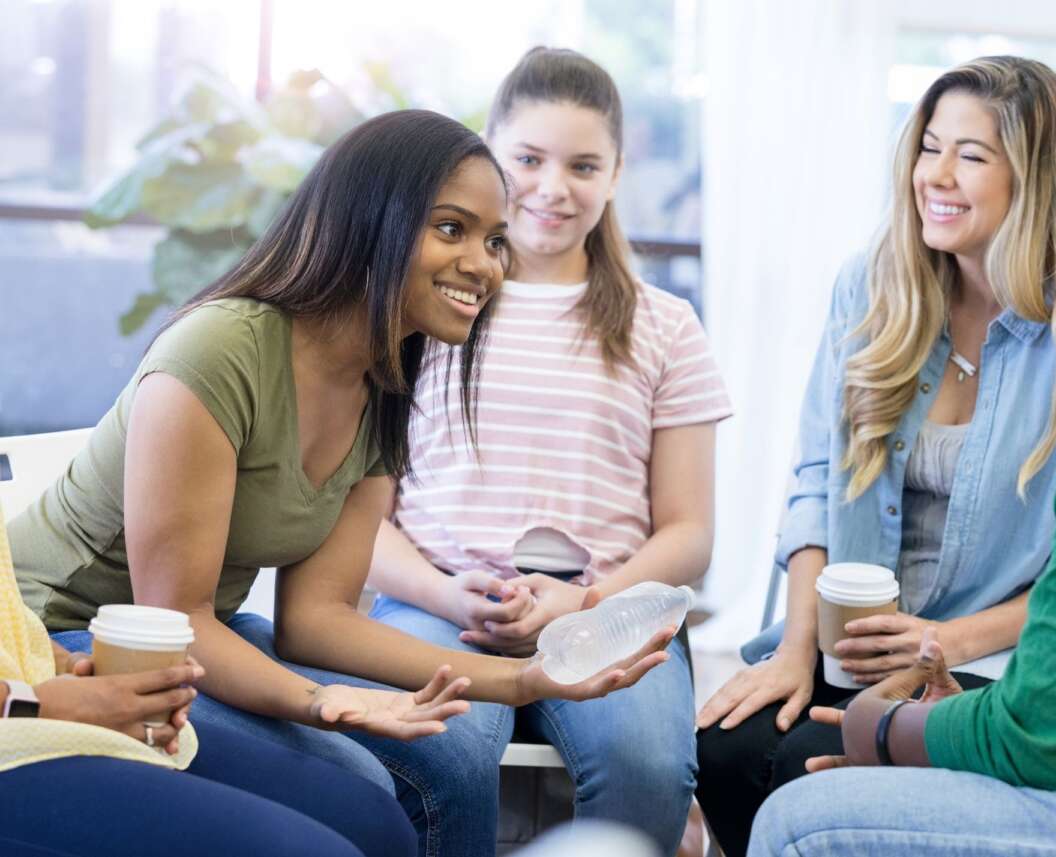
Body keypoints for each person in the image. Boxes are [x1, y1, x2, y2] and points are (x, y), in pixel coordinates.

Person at [10, 109, 671, 853]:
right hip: (62, 643)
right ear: (370, 222)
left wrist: (524, 681)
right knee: (363, 801)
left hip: (196, 635)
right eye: (451, 229)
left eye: (493, 240)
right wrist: (326, 700)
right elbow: (180, 617)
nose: (485, 264)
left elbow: (316, 617)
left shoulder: (383, 379)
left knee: (450, 757)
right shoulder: (220, 350)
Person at [749, 60, 1056, 857]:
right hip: (870, 643)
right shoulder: (872, 286)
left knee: (796, 796)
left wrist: (887, 721)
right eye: (929, 147)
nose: (939, 175)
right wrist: (799, 647)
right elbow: (814, 482)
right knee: (738, 744)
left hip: (1010, 665)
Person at [366, 47, 731, 856]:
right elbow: (364, 523)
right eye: (527, 159)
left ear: (617, 172)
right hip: (439, 600)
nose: (551, 188)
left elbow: (688, 534)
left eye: (583, 165)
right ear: (487, 154)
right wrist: (445, 592)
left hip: (605, 609)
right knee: (437, 749)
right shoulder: (421, 308)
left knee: (645, 762)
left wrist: (588, 602)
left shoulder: (664, 325)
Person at [0, 496, 415, 857]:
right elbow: (191, 609)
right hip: (19, 724)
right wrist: (39, 703)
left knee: (376, 822)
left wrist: (64, 664)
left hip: (38, 693)